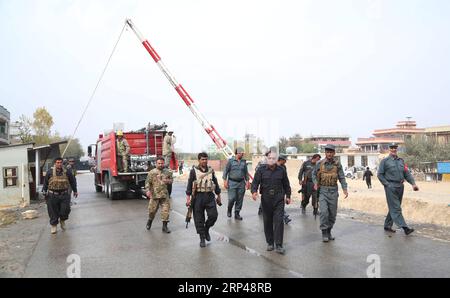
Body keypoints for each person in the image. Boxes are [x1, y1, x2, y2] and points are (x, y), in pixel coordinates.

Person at [251, 152, 291, 255]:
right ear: (267, 159)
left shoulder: (281, 170)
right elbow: (255, 182)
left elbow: (286, 184)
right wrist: (254, 192)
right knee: (267, 221)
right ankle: (270, 243)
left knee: (279, 221)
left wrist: (288, 196)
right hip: (266, 199)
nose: (271, 160)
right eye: (270, 158)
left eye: (274, 158)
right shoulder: (261, 170)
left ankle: (278, 245)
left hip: (279, 199)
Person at [377, 143, 419, 235]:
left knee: (394, 207)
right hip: (390, 187)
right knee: (396, 208)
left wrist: (413, 184)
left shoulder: (401, 161)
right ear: (389, 149)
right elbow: (380, 174)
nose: (393, 149)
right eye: (391, 148)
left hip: (400, 187)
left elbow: (406, 173)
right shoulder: (385, 161)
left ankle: (387, 225)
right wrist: (387, 184)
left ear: (397, 149)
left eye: (395, 148)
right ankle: (405, 228)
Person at [312, 145, 348, 242]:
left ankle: (329, 231)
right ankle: (324, 232)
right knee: (324, 212)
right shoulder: (319, 163)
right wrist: (315, 183)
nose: (329, 154)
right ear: (325, 153)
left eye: (331, 152)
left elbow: (342, 177)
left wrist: (345, 188)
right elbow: (313, 174)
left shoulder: (337, 164)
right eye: (328, 152)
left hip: (333, 191)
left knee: (332, 214)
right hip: (323, 191)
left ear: (334, 153)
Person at [186, 152, 222, 247]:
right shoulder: (193, 171)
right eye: (202, 159)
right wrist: (188, 198)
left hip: (209, 196)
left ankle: (206, 229)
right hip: (198, 197)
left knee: (213, 216)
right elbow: (190, 184)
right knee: (199, 219)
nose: (204, 161)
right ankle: (202, 238)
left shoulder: (211, 170)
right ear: (199, 160)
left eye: (206, 159)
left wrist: (218, 195)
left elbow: (216, 183)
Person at [42, 157, 78, 234]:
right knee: (53, 211)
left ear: (62, 163)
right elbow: (45, 183)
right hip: (52, 195)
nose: (59, 164)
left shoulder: (67, 172)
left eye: (60, 162)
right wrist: (44, 191)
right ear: (55, 163)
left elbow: (72, 181)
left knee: (65, 210)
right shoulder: (50, 172)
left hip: (64, 194)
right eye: (57, 162)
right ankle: (54, 225)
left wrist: (75, 191)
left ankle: (62, 221)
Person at [145, 157, 173, 233]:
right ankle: (150, 221)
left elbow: (171, 181)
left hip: (164, 195)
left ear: (164, 163)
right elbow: (147, 182)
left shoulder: (167, 172)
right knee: (152, 211)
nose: (160, 165)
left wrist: (166, 180)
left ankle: (165, 227)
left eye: (162, 163)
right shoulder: (152, 172)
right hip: (155, 195)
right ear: (156, 163)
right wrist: (147, 191)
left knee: (166, 211)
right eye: (159, 163)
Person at [223, 147, 250, 220]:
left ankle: (237, 213)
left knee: (240, 199)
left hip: (241, 183)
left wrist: (247, 182)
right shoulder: (231, 161)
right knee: (232, 198)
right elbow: (225, 171)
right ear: (238, 153)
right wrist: (225, 181)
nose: (243, 154)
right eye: (242, 153)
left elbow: (246, 173)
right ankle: (229, 209)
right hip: (232, 182)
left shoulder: (243, 162)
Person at [277, 155, 292, 224]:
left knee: (280, 203)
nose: (285, 161)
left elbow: (285, 178)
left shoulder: (283, 167)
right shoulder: (274, 166)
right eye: (284, 160)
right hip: (274, 188)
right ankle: (284, 216)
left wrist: (288, 194)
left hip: (282, 188)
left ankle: (284, 216)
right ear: (281, 160)